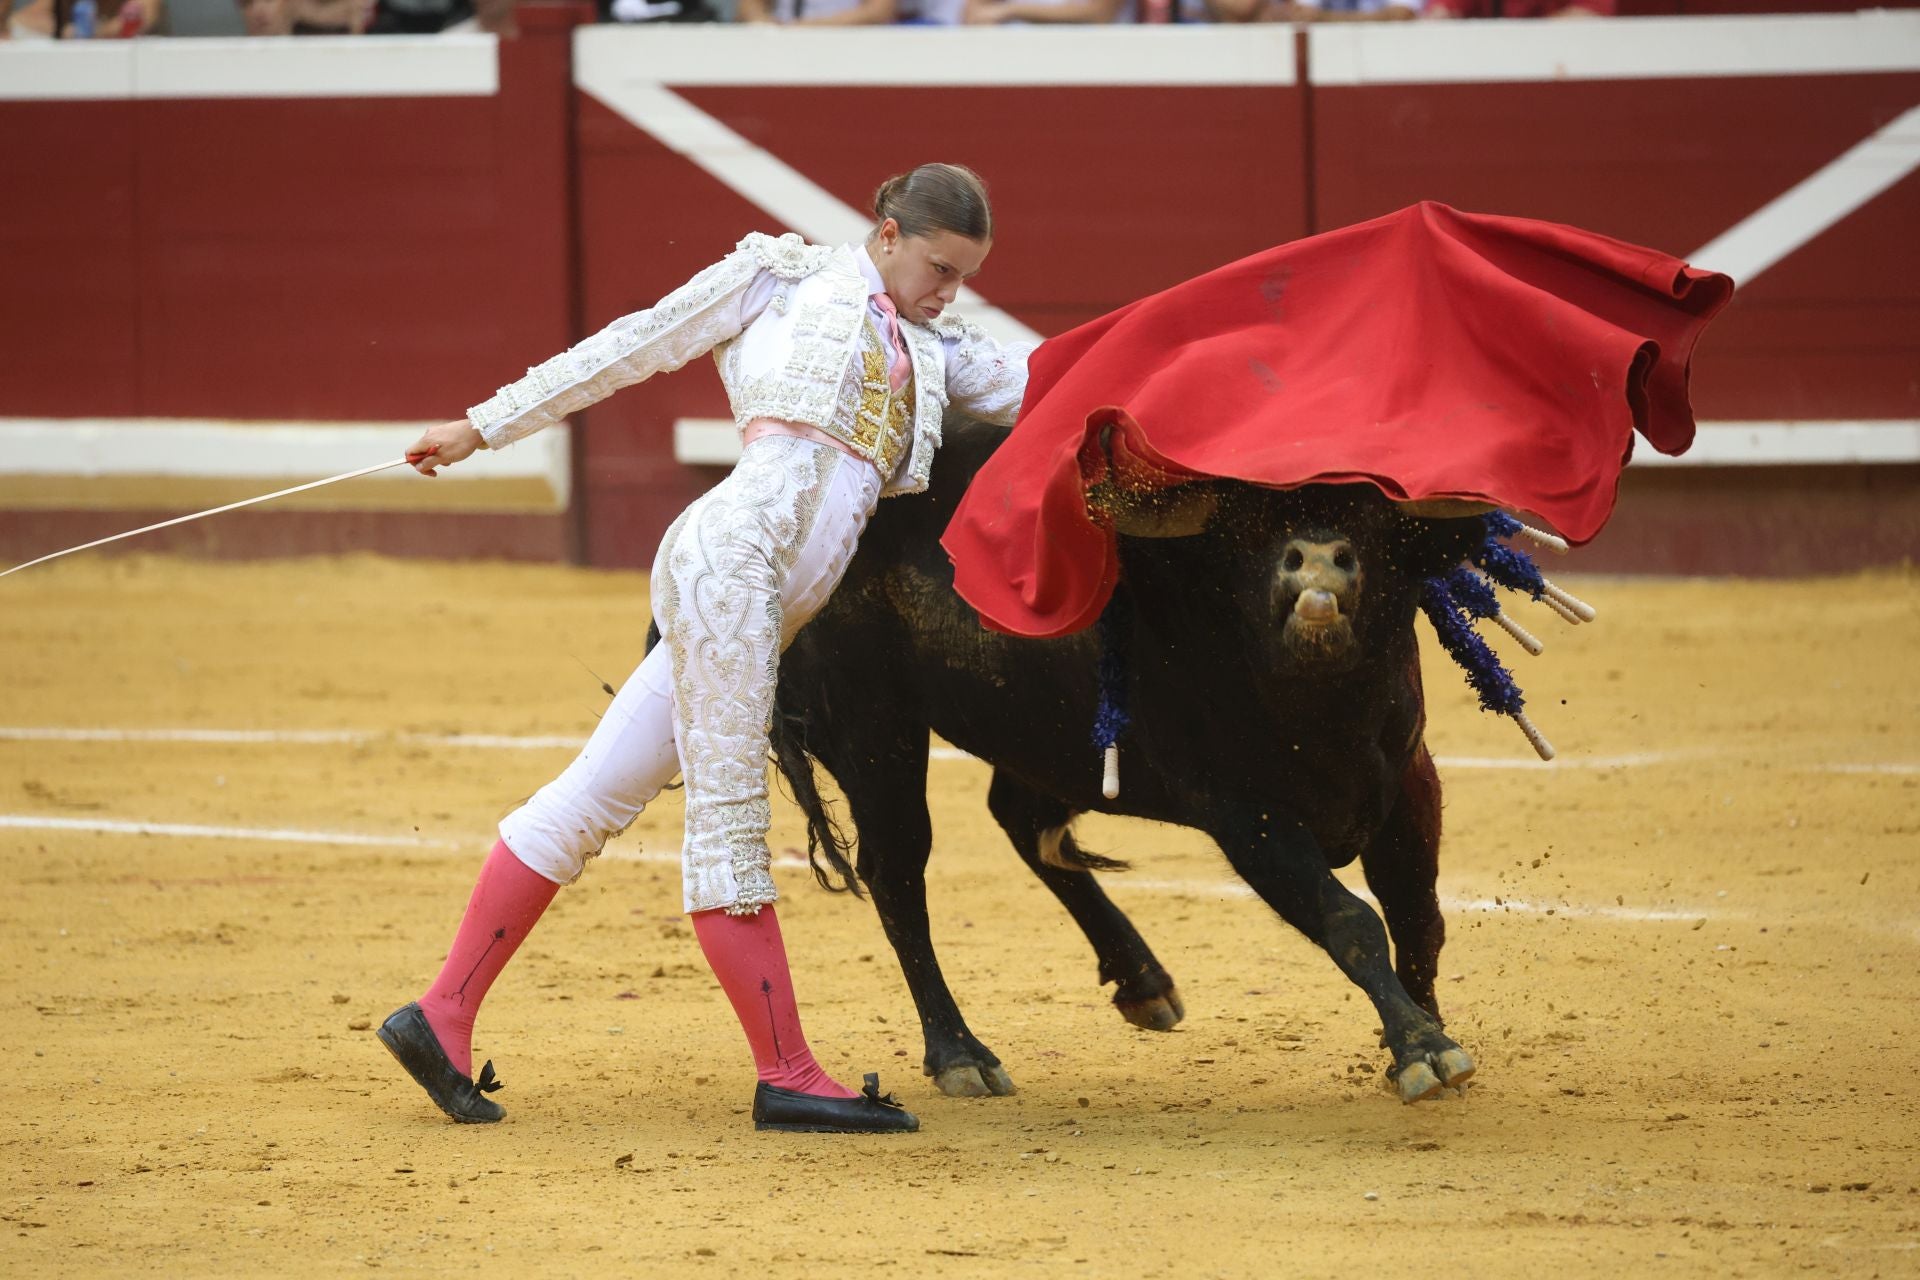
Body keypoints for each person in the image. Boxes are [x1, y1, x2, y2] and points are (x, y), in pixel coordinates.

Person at [378, 163, 1032, 1135]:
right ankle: (789, 1072)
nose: (948, 289)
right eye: (939, 266)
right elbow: (632, 344)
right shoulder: (781, 276)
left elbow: (1054, 382)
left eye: (964, 275)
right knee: (728, 823)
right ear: (887, 233)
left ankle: (441, 1013)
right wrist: (482, 425)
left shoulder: (940, 349)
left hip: (761, 596)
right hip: (733, 565)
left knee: (591, 795)